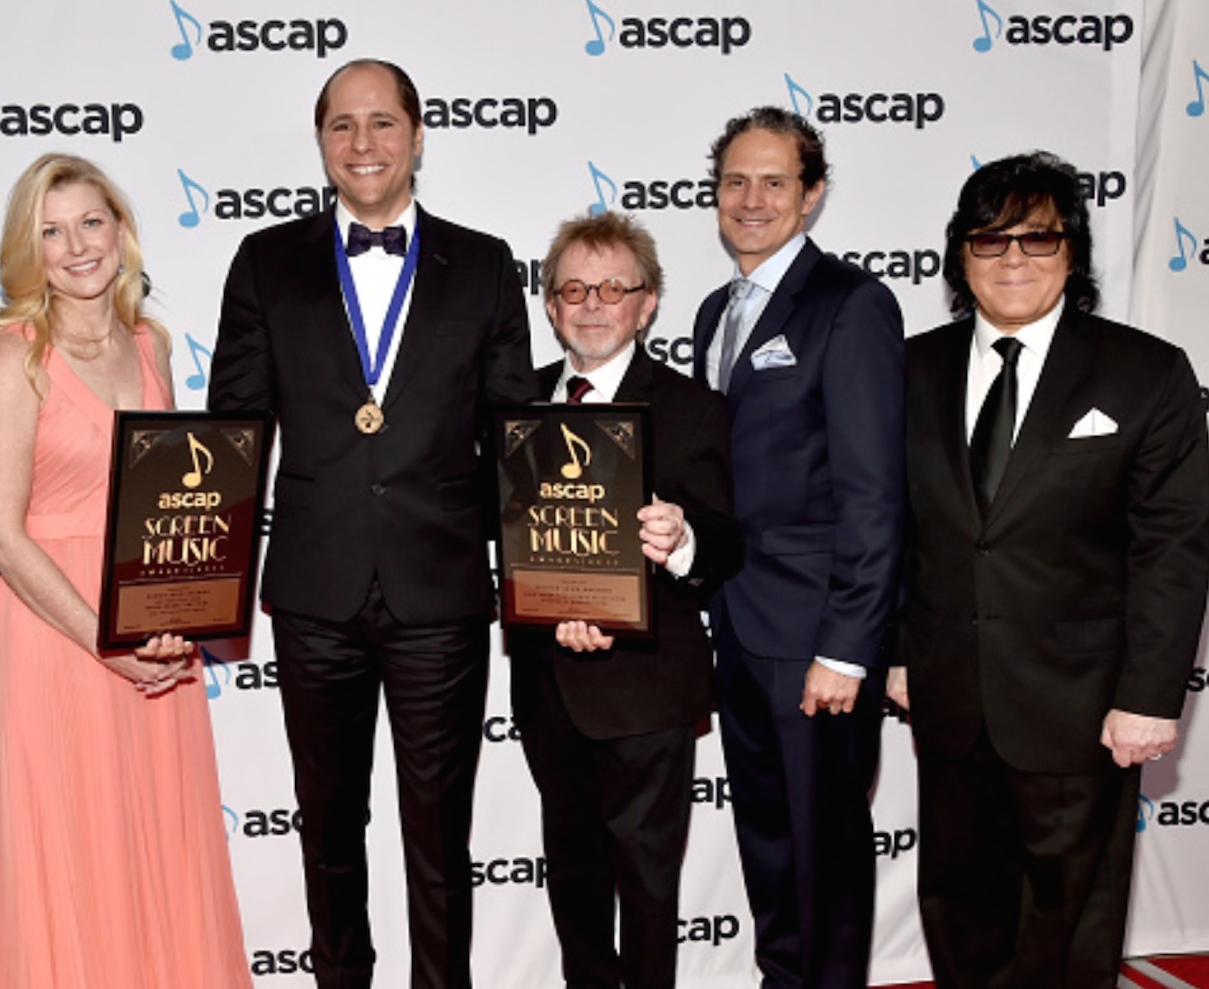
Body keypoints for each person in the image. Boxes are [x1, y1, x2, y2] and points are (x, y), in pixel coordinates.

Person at [208, 58, 535, 989]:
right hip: (314, 594)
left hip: (441, 595)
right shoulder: (266, 261)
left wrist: (565, 575)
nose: (364, 144)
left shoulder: (482, 262)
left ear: (418, 134)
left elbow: (514, 432)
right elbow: (234, 431)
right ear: (321, 142)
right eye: (343, 126)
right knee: (328, 825)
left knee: (440, 833)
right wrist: (184, 589)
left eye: (383, 123)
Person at [887, 151, 1209, 989]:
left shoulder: (1146, 372)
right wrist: (892, 650)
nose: (1014, 260)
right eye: (991, 241)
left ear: (1073, 253)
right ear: (961, 256)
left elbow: (1174, 543)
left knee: (1069, 915)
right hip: (950, 693)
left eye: (1038, 239)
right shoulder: (909, 369)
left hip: (1083, 703)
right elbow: (886, 526)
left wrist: (1149, 695)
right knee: (959, 901)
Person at [0, 154, 251, 988]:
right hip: (56, 644)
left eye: (90, 222)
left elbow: (169, 504)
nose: (76, 245)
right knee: (72, 858)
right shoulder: (11, 355)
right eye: (50, 232)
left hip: (155, 640)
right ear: (29, 252)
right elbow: (0, 532)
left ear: (122, 230)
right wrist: (105, 641)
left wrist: (187, 617)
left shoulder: (151, 342)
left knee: (165, 850)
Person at [690, 106, 905, 989]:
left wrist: (848, 648)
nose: (752, 199)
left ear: (811, 196)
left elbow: (873, 493)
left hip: (817, 638)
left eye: (775, 181)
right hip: (737, 628)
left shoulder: (851, 305)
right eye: (735, 180)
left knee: (826, 853)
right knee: (769, 842)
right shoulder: (713, 312)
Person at [508, 211, 741, 989]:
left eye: (615, 287)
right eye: (573, 287)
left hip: (646, 687)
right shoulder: (517, 408)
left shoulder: (691, 407)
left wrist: (680, 540)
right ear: (549, 305)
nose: (593, 303)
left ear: (648, 304)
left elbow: (727, 545)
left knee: (646, 885)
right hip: (547, 683)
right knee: (573, 877)